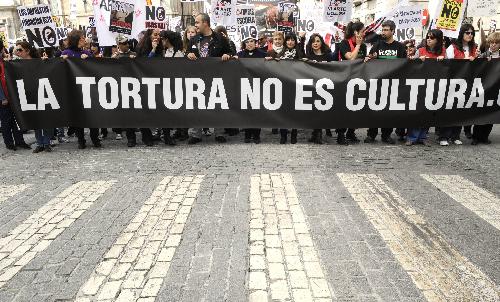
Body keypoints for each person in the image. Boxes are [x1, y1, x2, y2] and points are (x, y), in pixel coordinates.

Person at [186, 13, 233, 145]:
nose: (195, 25)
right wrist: (188, 54)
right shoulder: (194, 39)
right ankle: (196, 134)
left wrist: (227, 54)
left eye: (197, 22)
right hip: (198, 77)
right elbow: (188, 53)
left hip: (216, 76)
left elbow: (231, 51)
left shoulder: (220, 38)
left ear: (205, 23)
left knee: (217, 104)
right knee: (197, 104)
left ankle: (218, 132)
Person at [364, 20, 407, 145]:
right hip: (378, 84)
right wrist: (370, 58)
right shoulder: (377, 45)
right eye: (382, 30)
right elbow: (369, 60)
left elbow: (404, 64)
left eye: (386, 30)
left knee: (389, 111)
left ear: (393, 31)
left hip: (392, 84)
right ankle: (371, 134)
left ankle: (386, 135)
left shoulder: (399, 47)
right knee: (374, 110)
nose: (383, 32)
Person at [406, 29, 446, 146]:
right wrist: (417, 60)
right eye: (428, 37)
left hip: (434, 86)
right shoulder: (421, 50)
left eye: (432, 38)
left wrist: (443, 60)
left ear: (438, 40)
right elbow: (412, 65)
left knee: (428, 112)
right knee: (416, 111)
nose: (428, 39)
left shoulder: (443, 52)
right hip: (420, 86)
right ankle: (412, 137)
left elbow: (448, 67)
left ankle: (423, 136)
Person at [62, 30, 100, 149]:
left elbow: (96, 68)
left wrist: (89, 59)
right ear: (76, 40)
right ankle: (81, 139)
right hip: (74, 91)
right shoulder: (66, 53)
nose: (85, 39)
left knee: (93, 115)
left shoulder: (87, 53)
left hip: (88, 89)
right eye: (82, 38)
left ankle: (95, 138)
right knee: (78, 116)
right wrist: (62, 60)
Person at [445, 24, 478, 143]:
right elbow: (447, 65)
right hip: (454, 82)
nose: (470, 35)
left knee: (461, 110)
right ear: (462, 33)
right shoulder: (452, 48)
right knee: (449, 110)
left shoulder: (474, 48)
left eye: (472, 33)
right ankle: (444, 136)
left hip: (467, 83)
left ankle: (455, 136)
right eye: (467, 33)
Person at [336, 21, 367, 145]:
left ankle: (351, 131)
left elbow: (361, 61)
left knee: (356, 107)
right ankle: (340, 134)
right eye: (363, 31)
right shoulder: (344, 43)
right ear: (356, 32)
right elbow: (351, 58)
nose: (364, 33)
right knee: (344, 109)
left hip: (358, 79)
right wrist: (358, 45)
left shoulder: (364, 46)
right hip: (345, 79)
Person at [0, 41, 31, 151]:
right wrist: (2, 97)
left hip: (12, 96)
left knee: (16, 120)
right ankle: (9, 143)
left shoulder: (4, 62)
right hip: (4, 99)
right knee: (6, 122)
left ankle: (19, 141)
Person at [235, 37, 267, 144]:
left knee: (257, 111)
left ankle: (256, 135)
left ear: (255, 42)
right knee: (247, 110)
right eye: (247, 42)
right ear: (244, 43)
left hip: (258, 85)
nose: (249, 44)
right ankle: (247, 134)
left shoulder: (262, 54)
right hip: (245, 85)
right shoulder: (240, 54)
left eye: (251, 41)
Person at [471, 32, 500, 145]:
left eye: (496, 43)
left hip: (496, 89)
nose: (493, 45)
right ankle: (476, 137)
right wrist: (481, 60)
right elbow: (476, 68)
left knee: (491, 113)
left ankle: (484, 136)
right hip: (484, 88)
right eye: (491, 43)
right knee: (480, 113)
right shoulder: (484, 55)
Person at [305, 33, 332, 145]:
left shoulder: (328, 55)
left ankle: (318, 133)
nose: (315, 43)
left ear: (322, 42)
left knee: (324, 112)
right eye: (313, 42)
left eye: (317, 41)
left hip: (326, 88)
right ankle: (316, 133)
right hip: (313, 87)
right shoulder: (309, 56)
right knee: (315, 112)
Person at [161, 30, 185, 146]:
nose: (161, 41)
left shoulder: (178, 53)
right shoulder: (164, 51)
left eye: (163, 39)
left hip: (173, 85)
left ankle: (177, 132)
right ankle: (166, 135)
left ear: (168, 40)